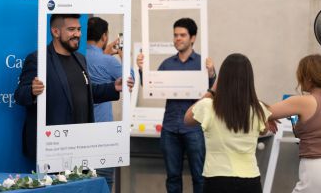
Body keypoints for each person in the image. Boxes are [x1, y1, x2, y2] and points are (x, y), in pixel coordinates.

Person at [15, 14, 133, 160]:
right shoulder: (38, 59)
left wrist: (113, 87)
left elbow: (86, 92)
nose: (77, 34)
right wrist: (32, 91)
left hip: (80, 146)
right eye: (71, 29)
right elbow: (19, 95)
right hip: (52, 149)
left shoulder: (80, 59)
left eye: (79, 29)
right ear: (55, 32)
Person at [137, 18, 216, 193]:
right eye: (175, 35)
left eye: (182, 35)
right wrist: (142, 70)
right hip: (170, 128)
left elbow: (212, 92)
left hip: (195, 128)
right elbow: (150, 88)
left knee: (199, 176)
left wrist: (211, 73)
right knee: (172, 178)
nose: (178, 39)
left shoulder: (203, 64)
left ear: (193, 38)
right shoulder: (167, 64)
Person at [184, 53, 272, 193]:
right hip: (250, 180)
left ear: (222, 79)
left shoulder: (207, 106)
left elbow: (187, 118)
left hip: (216, 180)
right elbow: (264, 130)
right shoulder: (258, 108)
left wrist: (212, 90)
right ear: (249, 80)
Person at [86, 16, 131, 191]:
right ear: (104, 37)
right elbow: (130, 79)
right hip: (103, 134)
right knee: (103, 183)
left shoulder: (78, 57)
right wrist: (122, 55)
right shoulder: (109, 61)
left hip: (79, 131)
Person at [268, 54, 321, 193]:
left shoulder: (303, 101)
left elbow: (260, 111)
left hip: (315, 166)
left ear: (309, 76)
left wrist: (268, 117)